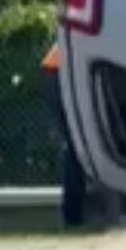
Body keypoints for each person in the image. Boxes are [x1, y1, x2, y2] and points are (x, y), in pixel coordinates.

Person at [41, 43, 87, 228]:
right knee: (76, 149)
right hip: (62, 70)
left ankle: (74, 214)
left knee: (75, 147)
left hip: (57, 68)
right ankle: (73, 215)